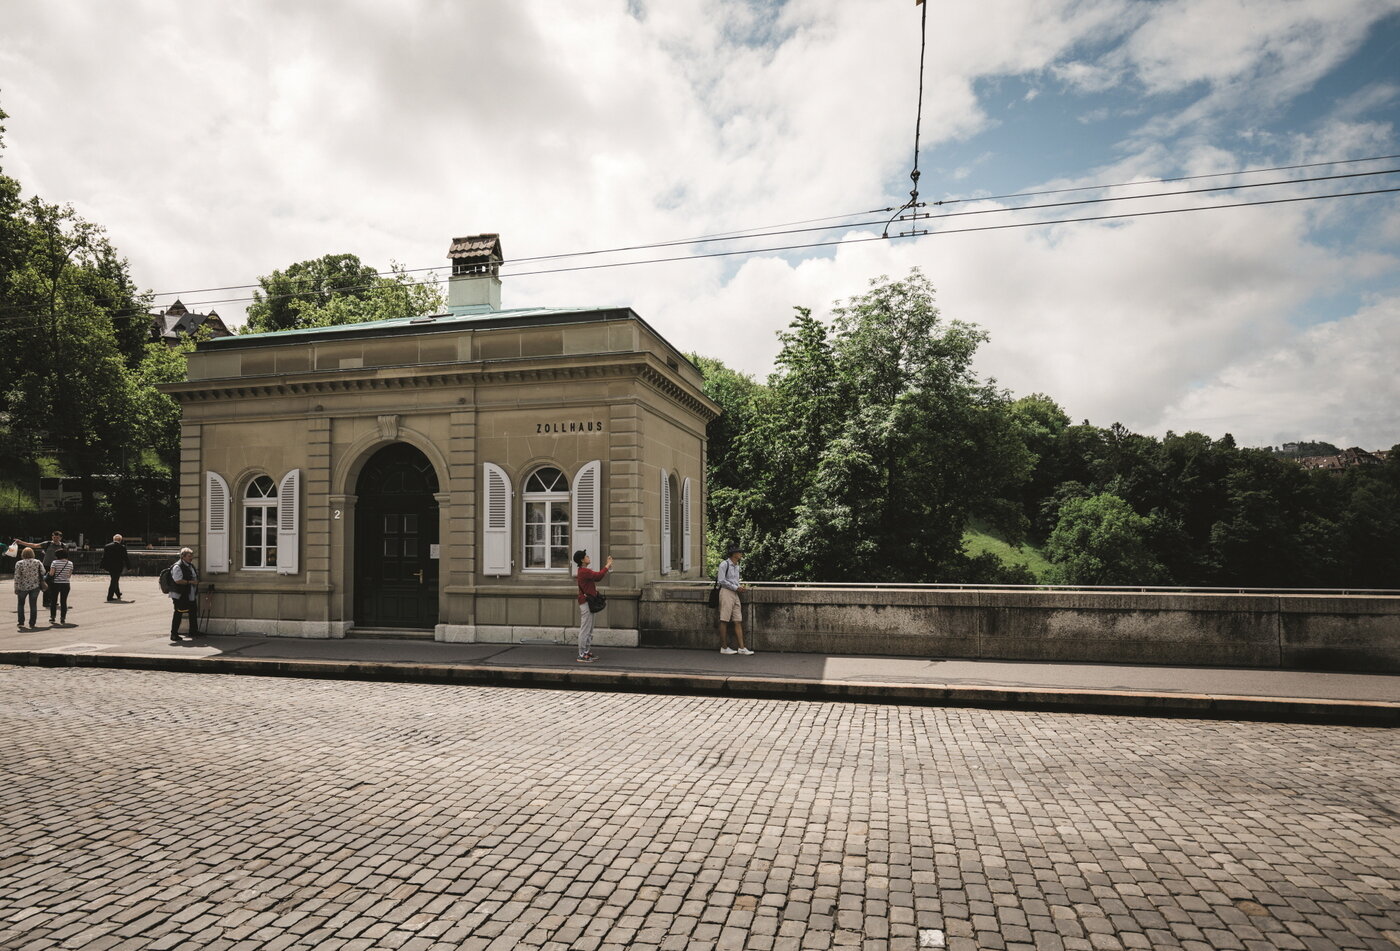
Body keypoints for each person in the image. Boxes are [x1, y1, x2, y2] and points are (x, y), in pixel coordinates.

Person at [573, 549, 612, 663]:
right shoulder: (584, 571)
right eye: (586, 556)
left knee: (589, 629)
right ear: (582, 560)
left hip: (588, 602)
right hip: (586, 602)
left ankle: (586, 651)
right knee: (585, 629)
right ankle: (581, 654)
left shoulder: (583, 570)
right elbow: (598, 576)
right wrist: (607, 565)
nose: (588, 557)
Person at [14, 531, 66, 612]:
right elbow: (34, 545)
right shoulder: (47, 543)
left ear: (60, 538)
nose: (55, 538)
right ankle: (46, 602)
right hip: (47, 566)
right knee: (46, 583)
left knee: (56, 585)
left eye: (57, 537)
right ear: (52, 537)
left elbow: (65, 556)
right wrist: (21, 542)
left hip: (58, 566)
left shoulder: (63, 546)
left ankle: (53, 600)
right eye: (54, 537)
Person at [716, 543, 753, 655]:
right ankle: (724, 647)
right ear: (734, 554)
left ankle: (741, 647)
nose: (741, 554)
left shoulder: (737, 566)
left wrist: (739, 587)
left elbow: (733, 580)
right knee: (724, 619)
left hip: (735, 593)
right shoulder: (724, 564)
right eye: (739, 552)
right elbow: (721, 581)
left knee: (738, 620)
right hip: (726, 592)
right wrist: (736, 587)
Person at [168, 547, 200, 642]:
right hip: (179, 594)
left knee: (193, 611)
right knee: (178, 613)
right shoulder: (178, 566)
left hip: (189, 593)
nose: (191, 558)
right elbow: (178, 580)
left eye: (192, 556)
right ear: (183, 557)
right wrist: (191, 582)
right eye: (189, 556)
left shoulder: (189, 565)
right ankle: (174, 634)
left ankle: (193, 631)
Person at [13, 548, 44, 630]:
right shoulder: (37, 562)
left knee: (20, 604)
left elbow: (17, 577)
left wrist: (16, 587)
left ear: (23, 554)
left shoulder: (19, 563)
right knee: (33, 605)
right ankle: (32, 623)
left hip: (22, 587)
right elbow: (43, 572)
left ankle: (21, 622)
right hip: (35, 586)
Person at [46, 547, 76, 625]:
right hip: (66, 584)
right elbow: (69, 575)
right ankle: (63, 618)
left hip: (55, 583)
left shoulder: (54, 562)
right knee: (63, 601)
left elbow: (51, 574)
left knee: (53, 601)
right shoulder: (70, 563)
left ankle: (52, 617)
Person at [100, 534, 131, 602]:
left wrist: (102, 566)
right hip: (118, 567)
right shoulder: (122, 547)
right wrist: (129, 567)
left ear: (113, 539)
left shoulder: (107, 546)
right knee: (114, 580)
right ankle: (109, 596)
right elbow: (126, 558)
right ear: (120, 540)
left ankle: (118, 594)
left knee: (114, 579)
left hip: (110, 566)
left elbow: (104, 557)